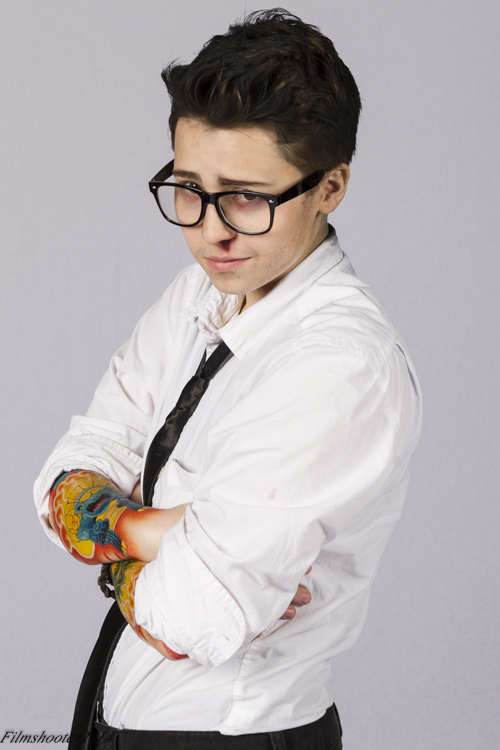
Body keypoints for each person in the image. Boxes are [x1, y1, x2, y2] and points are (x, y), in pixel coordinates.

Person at [34, 8, 422, 749]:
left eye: (248, 196)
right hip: (114, 717)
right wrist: (155, 532)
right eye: (189, 187)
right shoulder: (199, 296)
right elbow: (61, 477)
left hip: (232, 735)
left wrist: (107, 547)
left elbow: (194, 617)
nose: (210, 229)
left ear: (330, 187)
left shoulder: (337, 365)